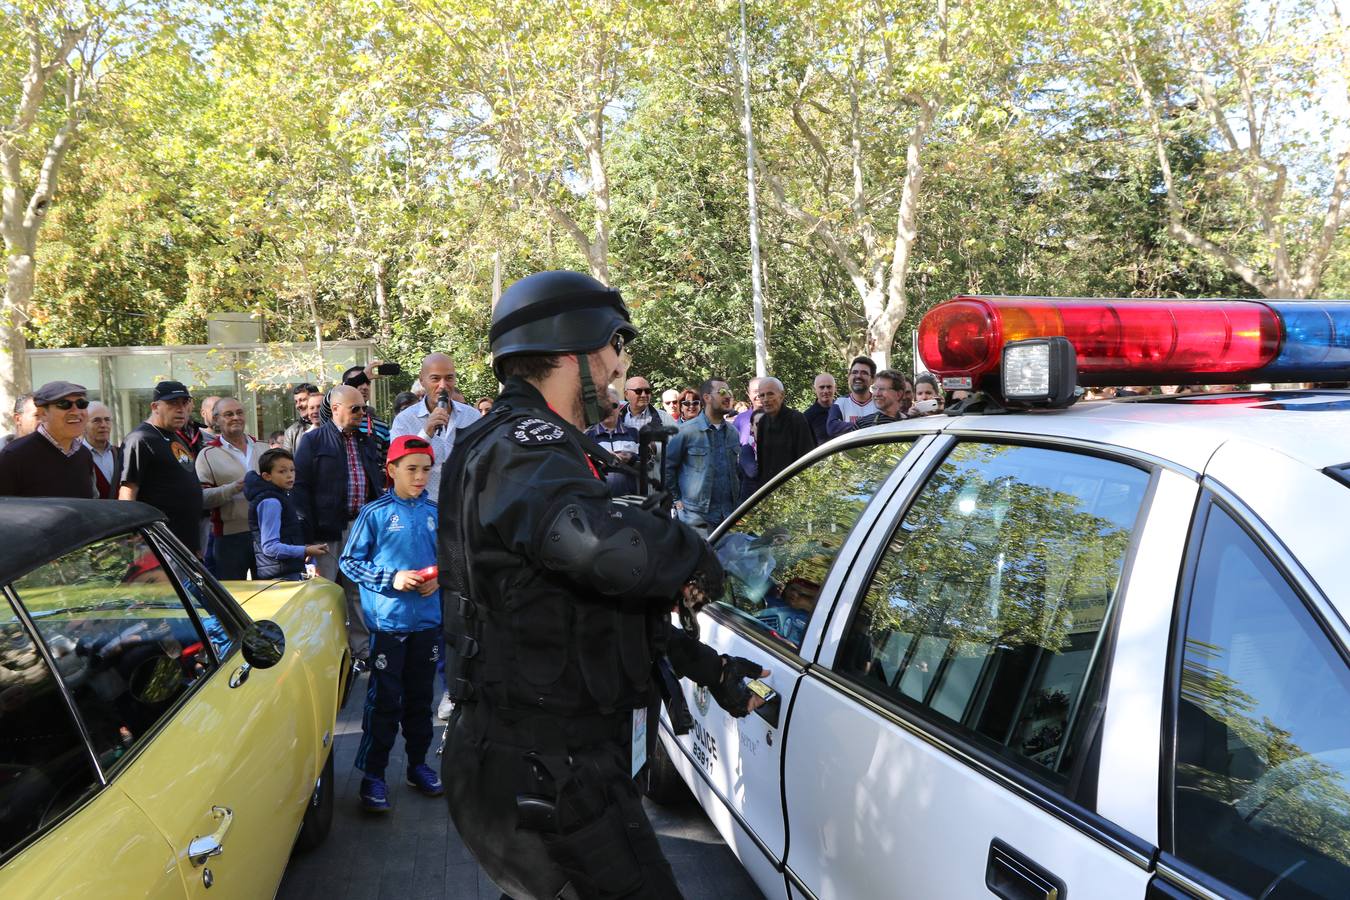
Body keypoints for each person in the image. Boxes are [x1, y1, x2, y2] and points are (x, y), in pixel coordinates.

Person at [437, 270, 767, 900]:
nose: (620, 365)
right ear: (573, 352)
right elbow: (597, 549)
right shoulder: (522, 447)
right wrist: (689, 556)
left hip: (552, 760)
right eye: (615, 347)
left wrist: (709, 669)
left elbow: (577, 611)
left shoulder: (535, 444)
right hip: (545, 768)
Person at [340, 435, 444, 813]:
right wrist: (391, 578)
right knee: (384, 702)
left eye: (426, 470)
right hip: (388, 626)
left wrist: (440, 577)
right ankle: (373, 776)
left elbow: (452, 560)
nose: (420, 477)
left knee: (421, 701)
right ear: (392, 470)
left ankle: (419, 765)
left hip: (427, 625)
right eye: (412, 469)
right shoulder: (376, 513)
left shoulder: (436, 512)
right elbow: (349, 562)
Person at [293, 384, 384, 662]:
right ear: (335, 409)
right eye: (355, 408)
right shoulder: (313, 441)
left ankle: (362, 649)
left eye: (363, 408)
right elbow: (300, 489)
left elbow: (375, 483)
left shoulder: (366, 440)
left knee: (358, 591)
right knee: (325, 593)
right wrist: (307, 535)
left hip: (360, 528)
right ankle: (324, 651)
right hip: (327, 530)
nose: (361, 413)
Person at [120, 381, 205, 552]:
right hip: (158, 541)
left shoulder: (177, 437)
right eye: (173, 403)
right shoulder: (140, 439)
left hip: (186, 539)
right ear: (155, 406)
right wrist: (129, 531)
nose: (180, 409)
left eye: (184, 402)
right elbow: (128, 489)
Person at [389, 352, 479, 503]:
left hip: (464, 509)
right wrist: (426, 432)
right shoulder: (404, 420)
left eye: (449, 378)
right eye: (435, 378)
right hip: (420, 509)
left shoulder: (472, 417)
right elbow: (399, 466)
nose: (443, 385)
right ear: (422, 380)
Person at [196, 397, 267, 580]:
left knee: (270, 592)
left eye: (239, 413)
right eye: (228, 414)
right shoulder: (207, 454)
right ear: (217, 419)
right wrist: (234, 488)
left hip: (267, 534)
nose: (236, 417)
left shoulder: (264, 448)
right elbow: (201, 499)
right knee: (233, 596)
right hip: (229, 537)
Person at [666, 378, 740, 537]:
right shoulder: (686, 431)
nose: (728, 396)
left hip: (728, 515)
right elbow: (667, 468)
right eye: (721, 392)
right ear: (706, 398)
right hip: (696, 517)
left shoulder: (733, 433)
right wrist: (676, 500)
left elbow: (736, 472)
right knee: (699, 561)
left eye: (730, 393)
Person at [0, 381, 94, 498]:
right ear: (42, 413)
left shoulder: (84, 455)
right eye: (64, 404)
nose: (76, 411)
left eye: (81, 404)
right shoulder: (14, 456)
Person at [245, 448, 328, 581]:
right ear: (267, 476)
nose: (290, 475)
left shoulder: (281, 496)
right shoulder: (271, 502)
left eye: (292, 470)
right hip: (278, 577)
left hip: (286, 571)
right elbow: (270, 547)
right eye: (282, 471)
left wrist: (305, 548)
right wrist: (305, 551)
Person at [755, 377, 816, 484]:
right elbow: (762, 463)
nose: (765, 399)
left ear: (782, 395)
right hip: (768, 489)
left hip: (792, 488)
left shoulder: (796, 419)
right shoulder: (763, 422)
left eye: (770, 394)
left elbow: (807, 459)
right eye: (762, 395)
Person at [584, 386, 640, 496]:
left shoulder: (634, 433)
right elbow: (581, 469)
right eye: (604, 406)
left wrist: (631, 458)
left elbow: (648, 466)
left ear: (619, 408)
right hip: (599, 500)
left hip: (630, 500)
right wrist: (598, 460)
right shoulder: (587, 436)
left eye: (613, 406)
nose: (608, 410)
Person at [342, 363, 392, 449]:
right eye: (360, 381)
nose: (365, 387)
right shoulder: (333, 418)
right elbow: (334, 395)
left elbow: (386, 460)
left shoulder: (381, 426)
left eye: (368, 382)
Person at [827, 356, 878, 437]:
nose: (858, 376)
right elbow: (832, 428)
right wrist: (866, 425)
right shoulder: (840, 403)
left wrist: (849, 426)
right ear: (849, 376)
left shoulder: (881, 403)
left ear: (873, 379)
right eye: (854, 372)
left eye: (864, 373)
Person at [83, 401, 122, 499]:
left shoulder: (121, 453)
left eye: (107, 420)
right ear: (83, 425)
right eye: (97, 420)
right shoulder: (75, 457)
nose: (104, 425)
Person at [282, 383, 319, 452]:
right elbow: (286, 461)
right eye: (296, 402)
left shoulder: (334, 426)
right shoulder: (291, 432)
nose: (298, 405)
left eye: (302, 400)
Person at [803, 373, 837, 445]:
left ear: (835, 388)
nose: (825, 391)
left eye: (829, 387)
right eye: (822, 387)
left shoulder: (843, 409)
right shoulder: (807, 417)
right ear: (814, 389)